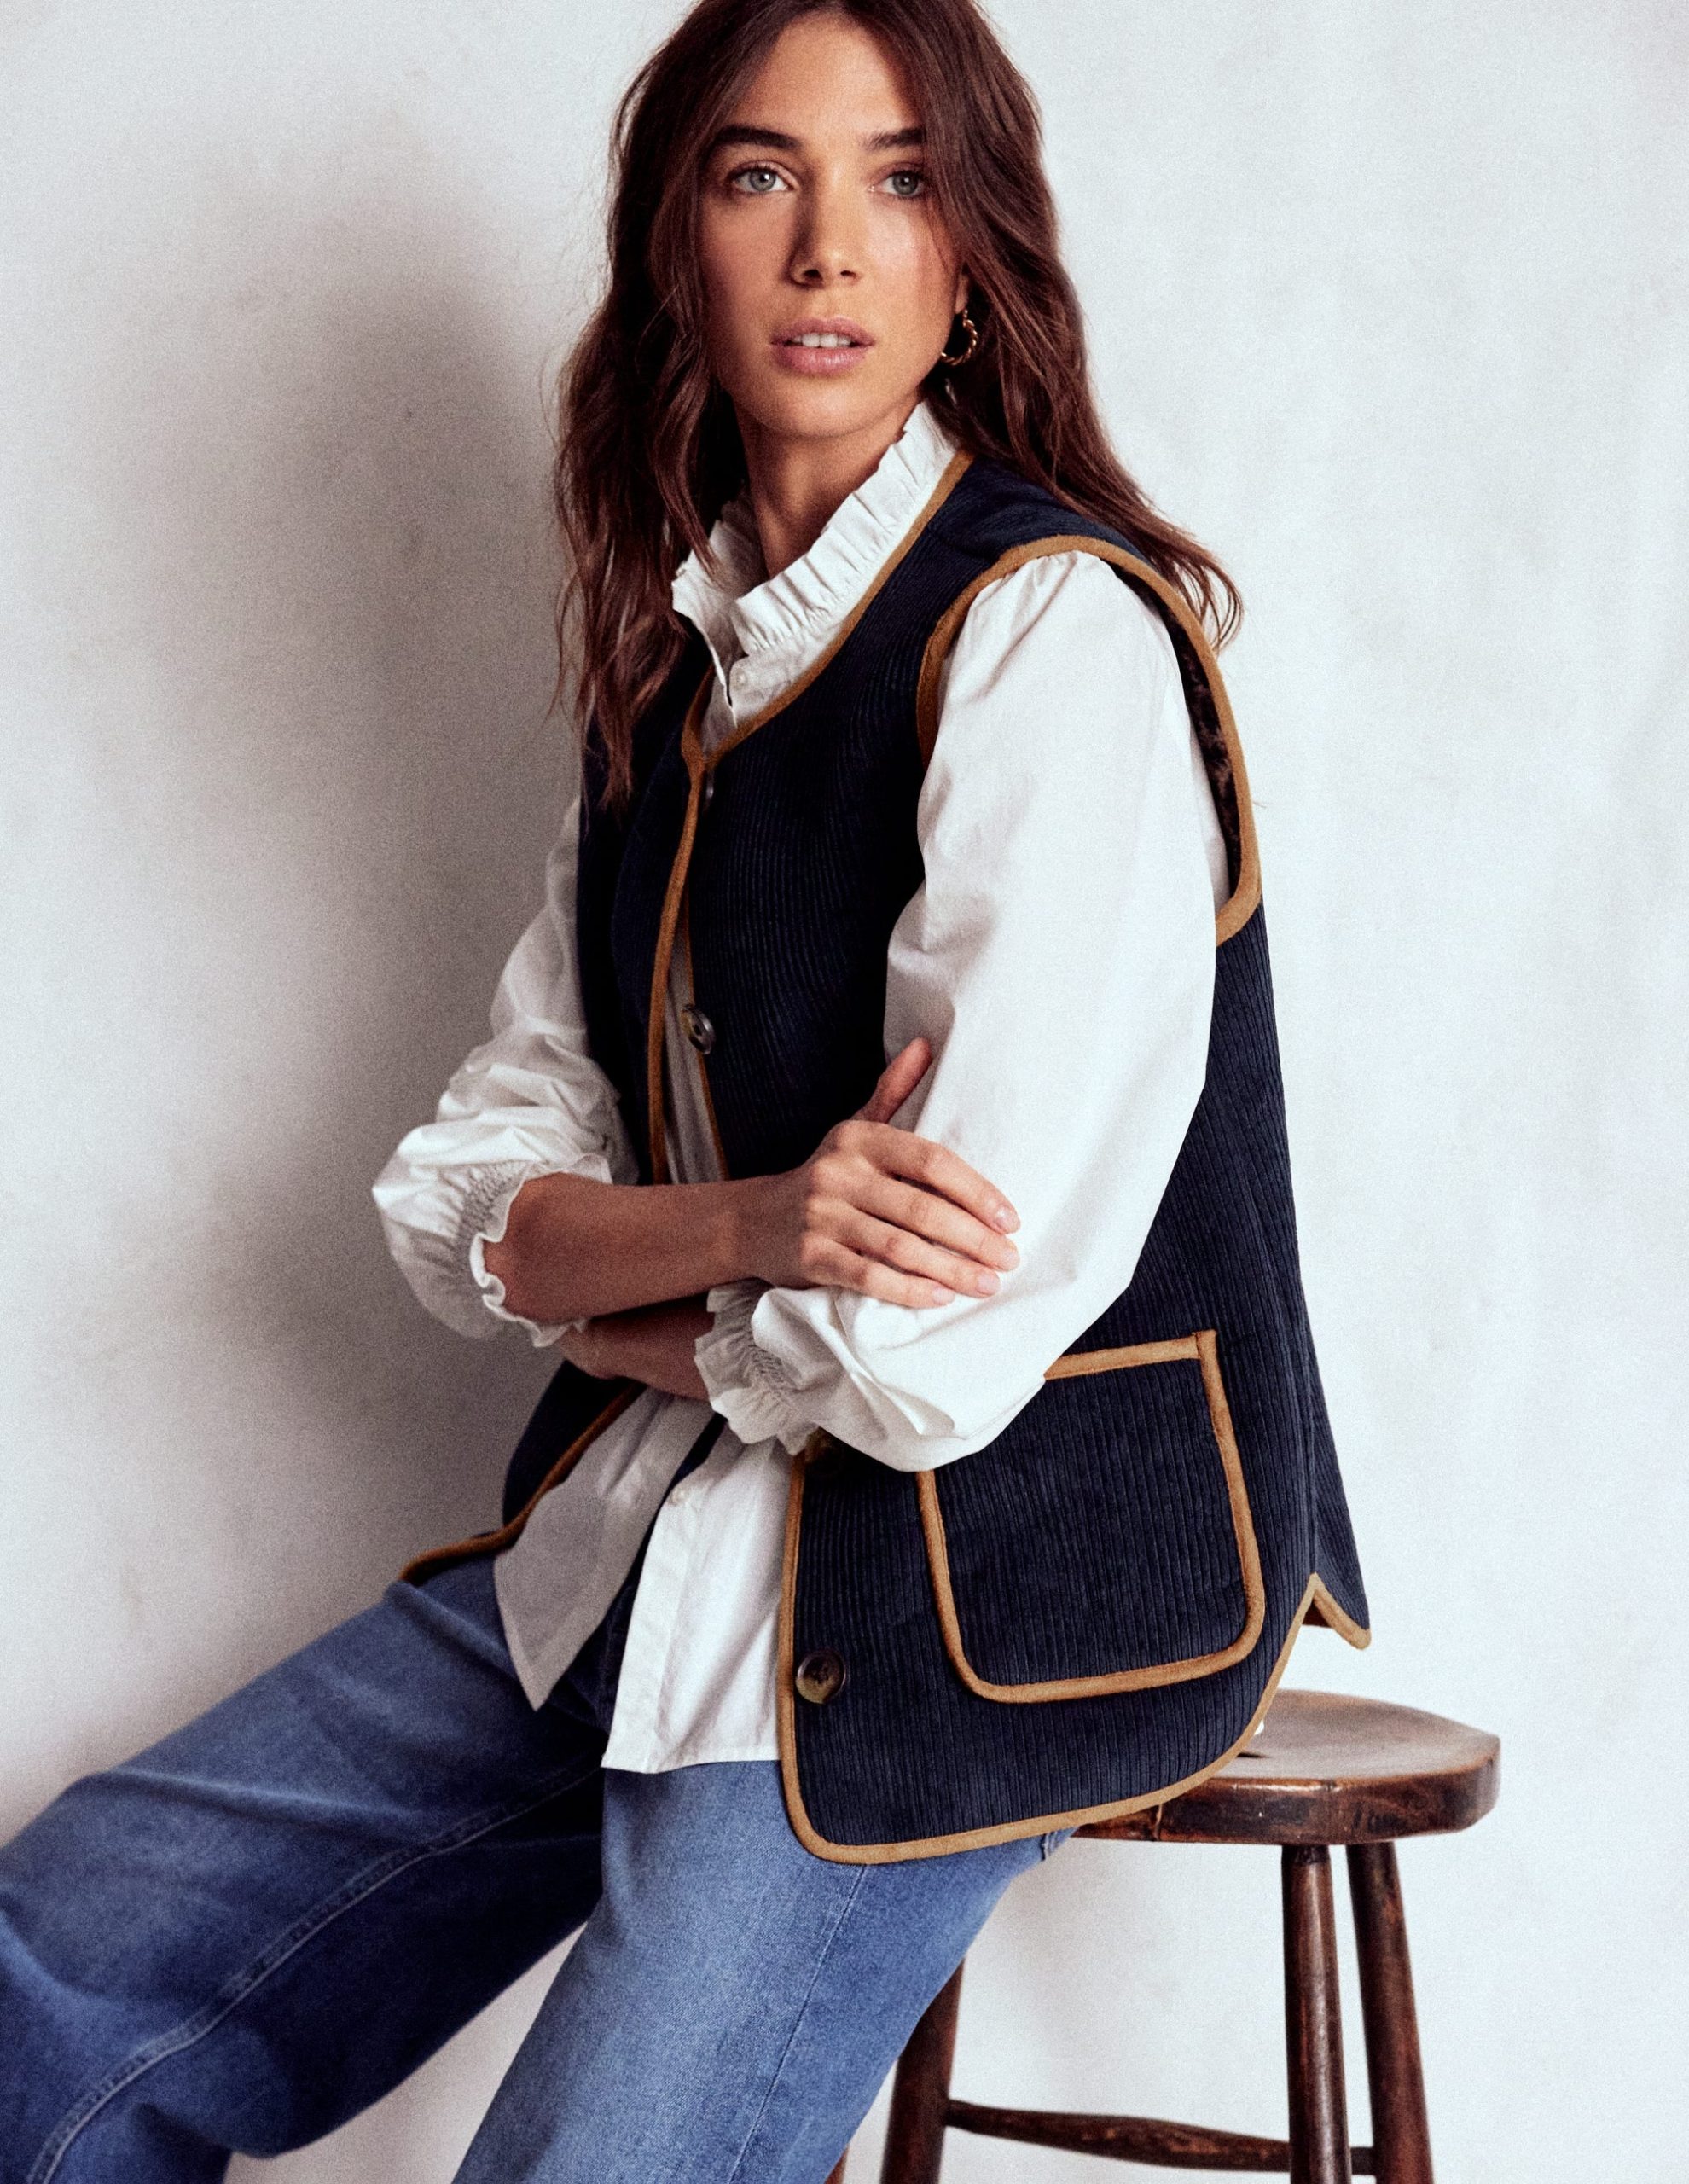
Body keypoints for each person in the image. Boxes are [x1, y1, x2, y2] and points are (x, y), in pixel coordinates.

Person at [0, 1, 1370, 2177]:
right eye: (760, 176)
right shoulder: (677, 673)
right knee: (54, 1957)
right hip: (648, 1530)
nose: (829, 245)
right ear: (681, 250)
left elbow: (919, 1335)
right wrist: (745, 1225)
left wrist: (631, 1308)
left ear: (969, 255)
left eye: (898, 179)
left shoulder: (1051, 641)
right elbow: (478, 1189)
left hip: (965, 1608)